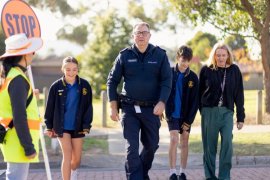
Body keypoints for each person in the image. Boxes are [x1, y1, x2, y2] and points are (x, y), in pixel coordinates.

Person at [107, 22, 172, 180]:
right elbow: (112, 81)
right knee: (132, 149)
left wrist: (162, 102)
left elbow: (167, 81)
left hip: (152, 108)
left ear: (150, 35)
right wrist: (113, 107)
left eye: (144, 32)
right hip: (129, 108)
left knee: (152, 145)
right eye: (138, 33)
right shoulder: (124, 55)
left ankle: (141, 174)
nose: (141, 35)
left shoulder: (160, 55)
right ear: (133, 36)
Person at [199, 42, 245, 180]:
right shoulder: (206, 70)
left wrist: (240, 117)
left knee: (227, 145)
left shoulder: (234, 70)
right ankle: (210, 177)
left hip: (227, 112)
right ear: (214, 55)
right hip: (209, 113)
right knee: (209, 148)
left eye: (223, 55)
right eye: (218, 55)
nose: (220, 58)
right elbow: (199, 93)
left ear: (228, 55)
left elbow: (239, 94)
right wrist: (204, 112)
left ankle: (224, 177)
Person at [0, 33, 43, 180]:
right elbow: (19, 116)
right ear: (24, 54)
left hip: (12, 139)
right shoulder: (18, 79)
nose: (33, 54)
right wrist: (28, 147)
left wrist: (30, 96)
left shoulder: (10, 75)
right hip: (19, 142)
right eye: (31, 51)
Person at [44, 56, 93, 180]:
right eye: (68, 69)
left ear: (78, 70)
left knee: (76, 159)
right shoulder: (56, 86)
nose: (71, 72)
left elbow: (88, 107)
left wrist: (87, 125)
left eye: (74, 69)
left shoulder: (85, 85)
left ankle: (73, 172)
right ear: (63, 69)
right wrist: (49, 126)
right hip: (61, 127)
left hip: (78, 127)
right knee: (67, 154)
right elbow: (49, 108)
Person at [165, 45, 199, 180]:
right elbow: (163, 91)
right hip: (172, 114)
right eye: (182, 59)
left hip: (186, 116)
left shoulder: (193, 77)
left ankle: (182, 172)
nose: (185, 63)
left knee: (184, 141)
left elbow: (195, 101)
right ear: (178, 58)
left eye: (187, 60)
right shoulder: (169, 73)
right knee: (174, 140)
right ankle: (172, 172)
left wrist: (188, 121)